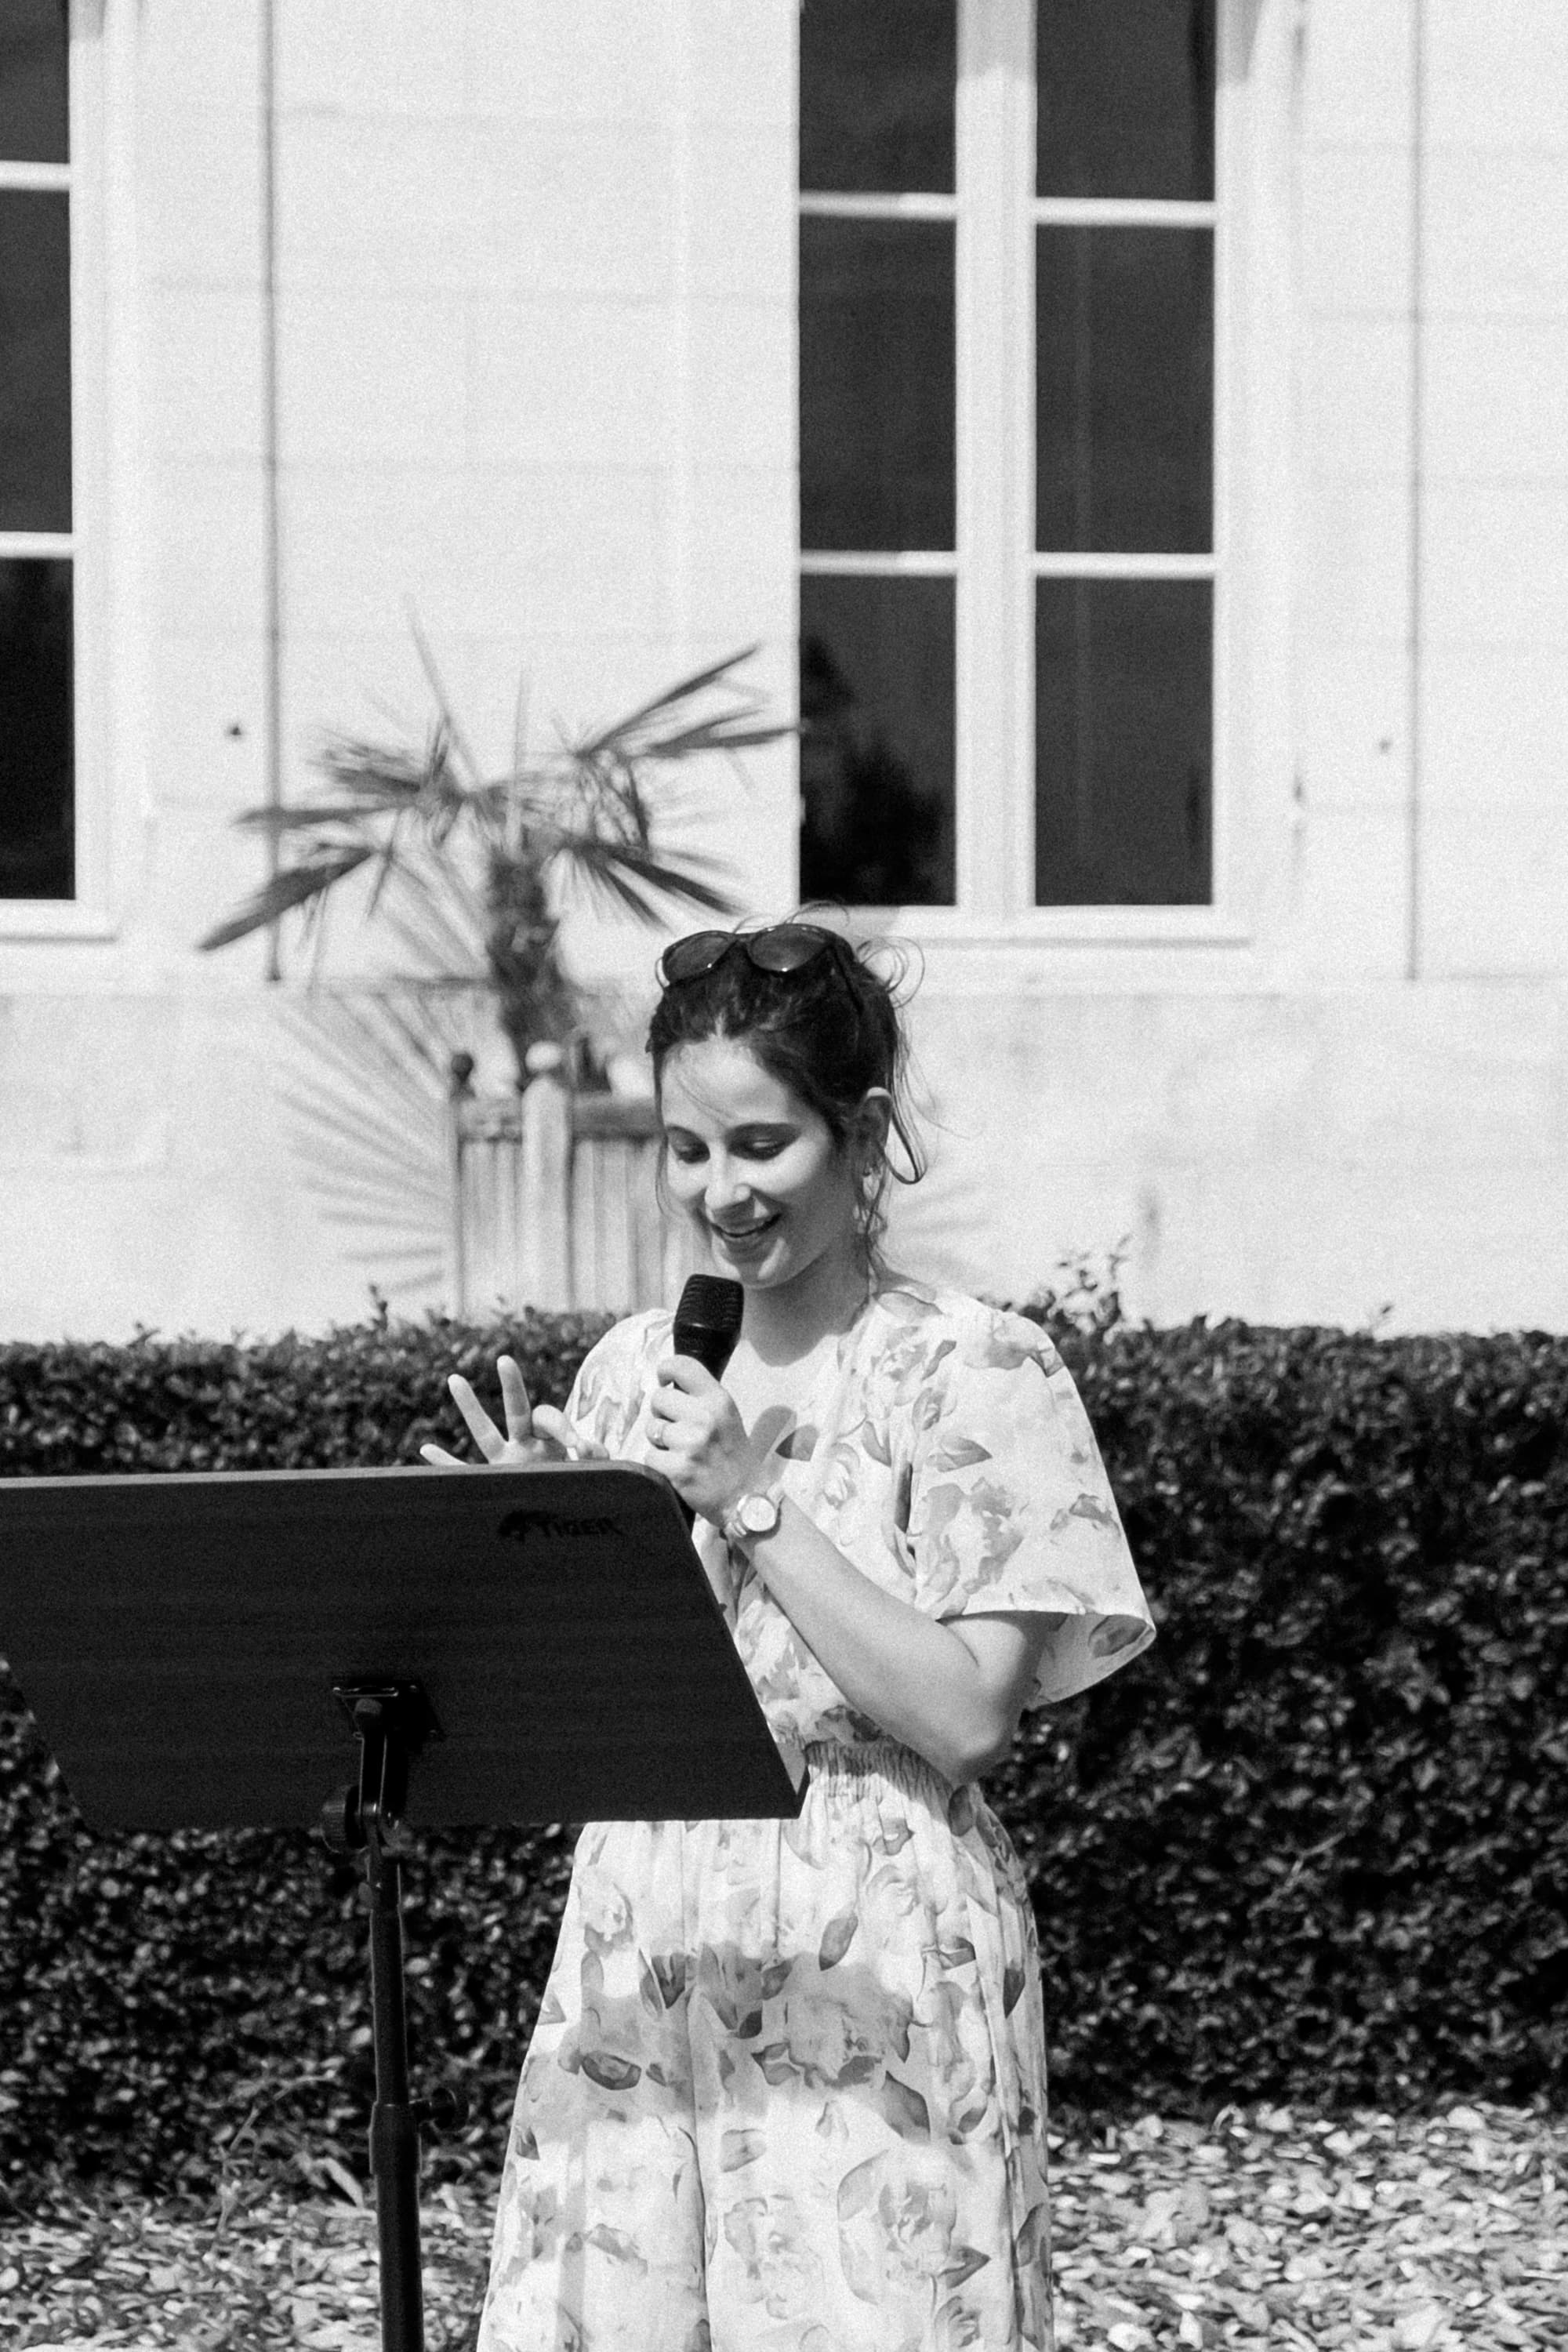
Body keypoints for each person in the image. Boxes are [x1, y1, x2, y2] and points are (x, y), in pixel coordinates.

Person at [423, 920, 1155, 2352]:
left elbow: (966, 1720)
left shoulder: (976, 1369)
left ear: (861, 1130)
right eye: (687, 1151)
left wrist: (753, 1498)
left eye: (762, 1147)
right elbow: (594, 1725)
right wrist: (537, 1550)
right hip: (645, 1937)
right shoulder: (637, 1367)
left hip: (877, 1947)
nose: (721, 1193)